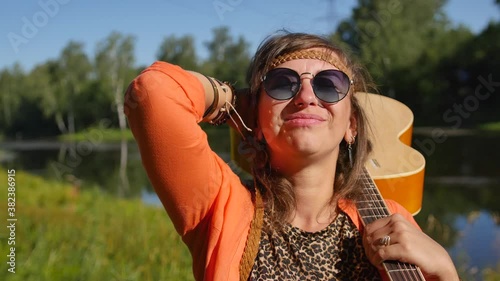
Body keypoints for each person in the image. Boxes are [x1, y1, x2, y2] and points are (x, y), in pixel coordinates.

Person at [124, 31, 459, 281]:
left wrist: (446, 272)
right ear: (255, 113)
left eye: (329, 84)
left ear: (351, 124)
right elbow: (153, 93)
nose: (306, 96)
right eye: (283, 84)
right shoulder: (221, 206)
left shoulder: (389, 219)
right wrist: (235, 103)